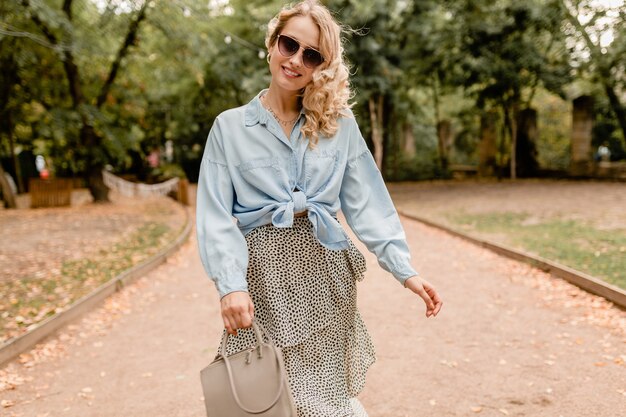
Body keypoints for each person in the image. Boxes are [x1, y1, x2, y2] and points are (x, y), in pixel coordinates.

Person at [196, 1, 443, 415]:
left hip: (324, 276)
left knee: (321, 400)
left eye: (311, 55)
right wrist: (230, 285)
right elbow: (215, 214)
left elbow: (367, 202)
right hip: (259, 283)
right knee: (262, 394)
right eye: (289, 45)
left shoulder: (339, 125)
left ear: (322, 67)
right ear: (272, 43)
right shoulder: (229, 127)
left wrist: (406, 271)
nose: (295, 60)